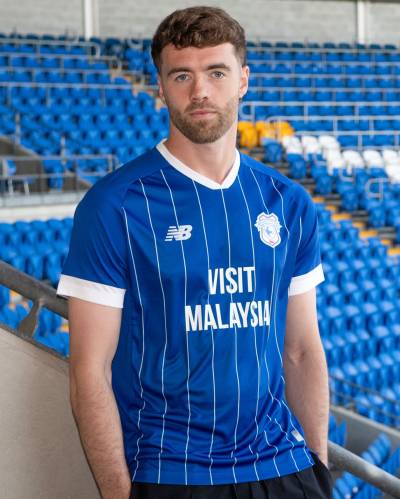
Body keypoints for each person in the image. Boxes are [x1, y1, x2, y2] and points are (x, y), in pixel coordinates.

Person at [57, 6, 332, 499]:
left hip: (283, 464)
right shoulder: (115, 205)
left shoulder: (287, 202)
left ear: (243, 80)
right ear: (161, 88)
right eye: (181, 75)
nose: (200, 90)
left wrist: (319, 468)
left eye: (216, 73)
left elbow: (302, 350)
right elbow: (89, 371)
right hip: (173, 471)